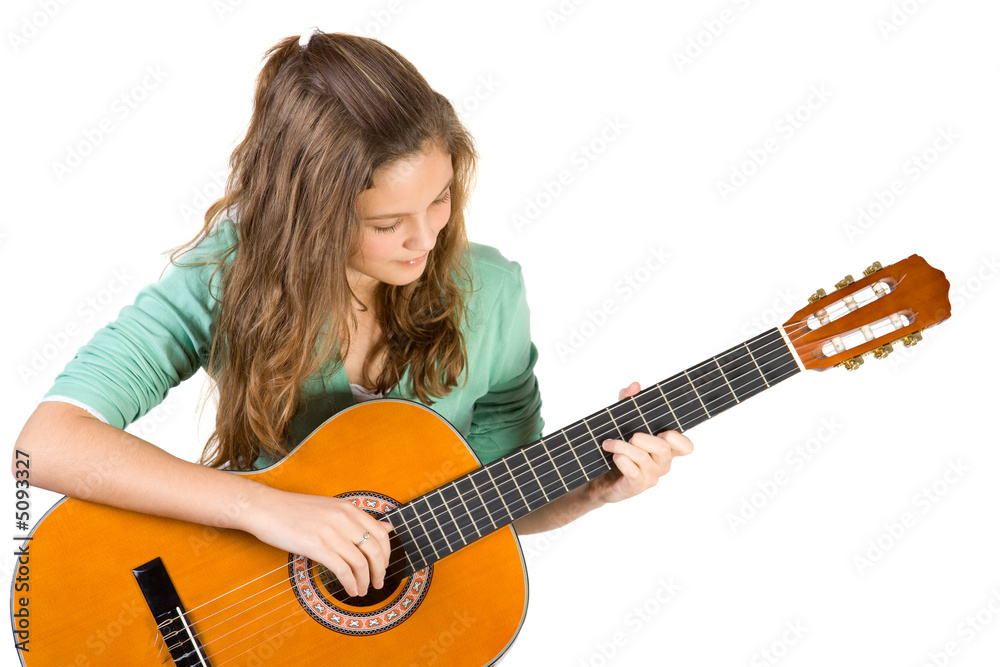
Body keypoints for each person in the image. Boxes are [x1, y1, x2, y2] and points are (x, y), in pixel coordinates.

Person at [13, 30, 692, 601]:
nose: (425, 239)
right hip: (233, 595)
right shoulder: (228, 274)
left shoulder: (492, 292)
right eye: (387, 224)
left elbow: (495, 499)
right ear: (308, 216)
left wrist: (591, 492)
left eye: (439, 199)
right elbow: (42, 445)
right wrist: (265, 508)